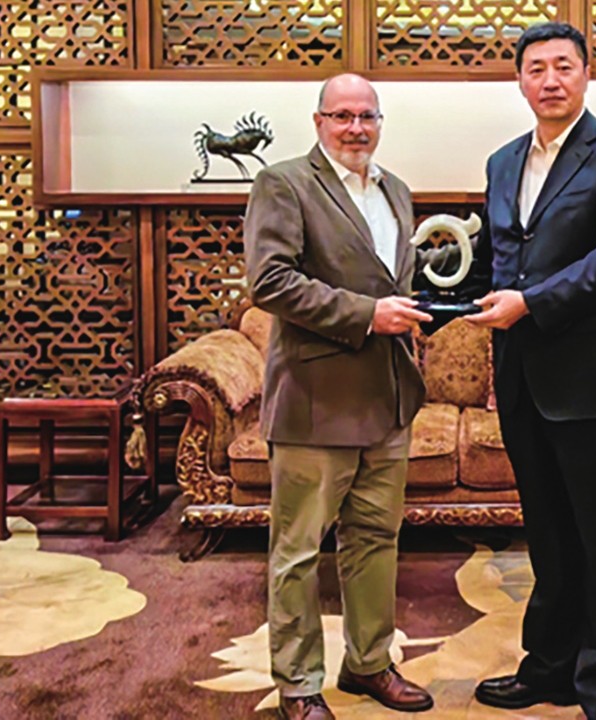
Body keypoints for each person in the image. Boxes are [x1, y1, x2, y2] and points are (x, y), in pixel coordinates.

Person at [465, 21, 596, 720]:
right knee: (547, 538)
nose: (549, 79)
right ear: (519, 81)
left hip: (591, 384)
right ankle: (549, 667)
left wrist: (528, 304)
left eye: (563, 66)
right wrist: (462, 297)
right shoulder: (500, 161)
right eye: (536, 68)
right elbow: (495, 252)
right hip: (521, 378)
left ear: (585, 75)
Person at [243, 73, 444, 720]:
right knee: (299, 555)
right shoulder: (283, 183)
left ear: (380, 122)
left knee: (375, 543)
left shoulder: (396, 191)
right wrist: (367, 314)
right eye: (342, 115)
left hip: (387, 401)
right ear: (318, 120)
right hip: (314, 401)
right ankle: (299, 685)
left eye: (367, 116)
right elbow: (269, 281)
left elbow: (394, 285)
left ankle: (369, 664)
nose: (356, 127)